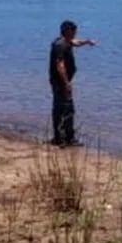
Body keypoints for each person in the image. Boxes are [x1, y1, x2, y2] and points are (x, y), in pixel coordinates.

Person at [49, 19, 98, 147]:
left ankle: (59, 137)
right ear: (67, 31)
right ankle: (67, 138)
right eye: (74, 32)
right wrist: (66, 83)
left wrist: (87, 42)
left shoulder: (65, 41)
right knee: (66, 108)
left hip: (59, 82)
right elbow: (60, 65)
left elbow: (75, 42)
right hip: (60, 82)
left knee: (60, 108)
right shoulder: (60, 45)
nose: (75, 34)